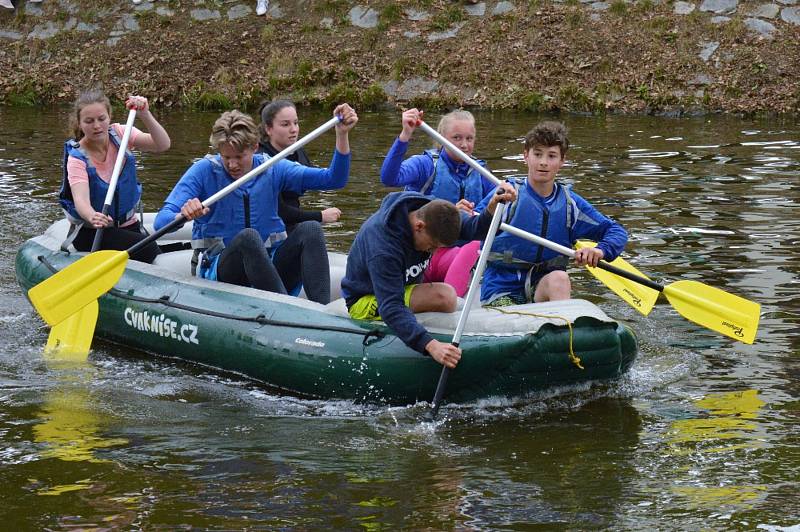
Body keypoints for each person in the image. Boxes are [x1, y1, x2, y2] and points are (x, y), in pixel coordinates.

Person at [153, 105, 357, 304]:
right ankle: (283, 309)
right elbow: (161, 222)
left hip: (271, 264)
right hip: (223, 270)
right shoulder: (203, 171)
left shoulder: (273, 167)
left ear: (254, 147)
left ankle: (319, 314)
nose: (232, 165)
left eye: (239, 157)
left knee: (311, 229)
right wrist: (182, 215)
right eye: (226, 157)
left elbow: (334, 180)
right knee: (248, 238)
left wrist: (342, 135)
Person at [340, 184, 516, 369]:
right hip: (365, 300)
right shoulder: (384, 247)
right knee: (445, 296)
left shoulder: (437, 213)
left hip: (405, 287)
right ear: (418, 226)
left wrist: (491, 209)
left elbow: (474, 229)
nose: (431, 251)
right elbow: (391, 307)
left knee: (453, 300)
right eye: (432, 246)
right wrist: (431, 346)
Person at [476, 120, 628, 306]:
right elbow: (471, 225)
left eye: (552, 156)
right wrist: (464, 214)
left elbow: (615, 231)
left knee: (560, 278)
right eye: (537, 154)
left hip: (542, 286)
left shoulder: (571, 204)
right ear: (526, 156)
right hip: (501, 288)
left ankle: (562, 331)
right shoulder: (506, 195)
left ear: (562, 161)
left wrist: (599, 250)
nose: (543, 163)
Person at [379, 108, 495, 297]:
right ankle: (451, 302)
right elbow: (389, 178)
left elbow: (496, 202)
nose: (464, 145)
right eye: (457, 138)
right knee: (471, 248)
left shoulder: (480, 171)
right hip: (423, 253)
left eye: (469, 138)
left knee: (473, 245)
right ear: (441, 138)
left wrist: (477, 211)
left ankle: (454, 299)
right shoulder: (425, 165)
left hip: (458, 256)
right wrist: (405, 134)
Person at [59, 89, 171, 263]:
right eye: (89, 121)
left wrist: (145, 115)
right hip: (93, 232)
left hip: (128, 224)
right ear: (79, 124)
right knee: (148, 249)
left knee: (154, 250)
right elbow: (81, 201)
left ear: (109, 117)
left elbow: (162, 145)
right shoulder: (77, 158)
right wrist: (92, 216)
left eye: (101, 119)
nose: (97, 126)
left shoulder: (120, 134)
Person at [257, 99, 342, 232]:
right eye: (285, 124)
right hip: (268, 233)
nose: (293, 130)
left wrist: (342, 134)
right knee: (313, 228)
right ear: (268, 129)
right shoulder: (260, 161)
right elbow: (278, 211)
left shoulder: (298, 152)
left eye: (296, 123)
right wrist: (319, 216)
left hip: (291, 228)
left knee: (311, 230)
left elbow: (331, 179)